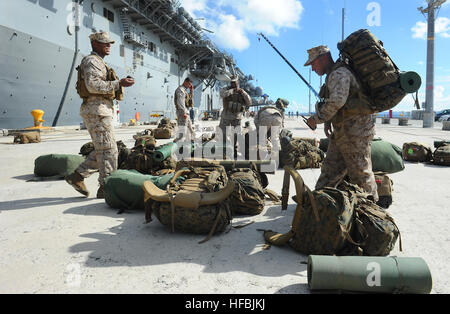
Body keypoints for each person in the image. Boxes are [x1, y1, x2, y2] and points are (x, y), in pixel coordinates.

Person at [304, 45, 378, 202]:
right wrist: (327, 122)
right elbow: (339, 104)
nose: (312, 69)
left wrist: (316, 119)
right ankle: (319, 203)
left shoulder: (339, 73)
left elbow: (337, 101)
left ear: (323, 58)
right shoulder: (334, 74)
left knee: (361, 174)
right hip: (343, 132)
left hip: (356, 132)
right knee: (330, 170)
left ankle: (372, 213)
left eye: (313, 64)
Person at [65, 31, 135, 198]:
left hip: (100, 110)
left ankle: (78, 176)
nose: (108, 45)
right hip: (96, 111)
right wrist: (119, 83)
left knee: (104, 149)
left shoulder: (99, 62)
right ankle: (107, 188)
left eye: (109, 43)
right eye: (105, 43)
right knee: (109, 151)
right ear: (95, 44)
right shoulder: (92, 61)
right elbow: (92, 86)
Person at [219, 76, 252, 158]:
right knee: (223, 134)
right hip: (226, 116)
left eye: (235, 83)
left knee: (236, 135)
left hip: (236, 117)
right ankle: (224, 151)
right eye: (232, 83)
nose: (234, 84)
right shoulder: (226, 89)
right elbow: (222, 94)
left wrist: (243, 93)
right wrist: (232, 91)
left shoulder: (242, 92)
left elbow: (249, 102)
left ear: (238, 83)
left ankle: (234, 151)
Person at [173, 77, 195, 143]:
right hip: (182, 112)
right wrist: (183, 113)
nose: (189, 86)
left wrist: (191, 91)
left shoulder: (185, 90)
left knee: (191, 130)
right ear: (185, 82)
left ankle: (190, 145)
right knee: (182, 133)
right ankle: (175, 145)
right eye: (189, 84)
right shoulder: (180, 90)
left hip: (186, 113)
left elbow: (190, 100)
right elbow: (181, 102)